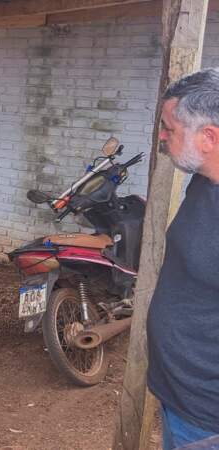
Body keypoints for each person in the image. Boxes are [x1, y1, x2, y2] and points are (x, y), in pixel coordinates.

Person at [148, 67, 219, 449]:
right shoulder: (205, 180)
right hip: (178, 393)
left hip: (207, 417)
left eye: (169, 128)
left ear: (208, 137)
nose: (161, 136)